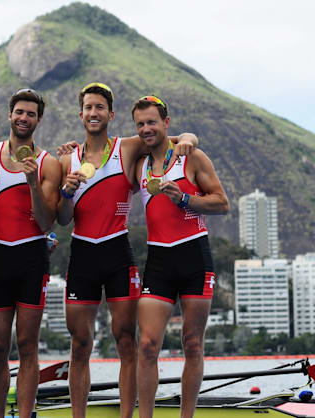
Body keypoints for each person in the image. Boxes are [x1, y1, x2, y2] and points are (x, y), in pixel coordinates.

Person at [56, 82, 199, 418]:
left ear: (110, 114)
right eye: (88, 108)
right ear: (81, 114)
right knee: (80, 345)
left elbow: (172, 138)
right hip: (82, 255)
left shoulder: (129, 147)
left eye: (100, 108)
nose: (94, 113)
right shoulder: (67, 159)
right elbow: (62, 220)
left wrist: (190, 139)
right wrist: (66, 191)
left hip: (118, 253)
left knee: (126, 342)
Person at [131, 95, 229, 418]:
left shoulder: (192, 157)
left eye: (152, 122)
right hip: (159, 260)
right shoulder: (139, 165)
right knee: (146, 345)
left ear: (166, 124)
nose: (146, 129)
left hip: (193, 256)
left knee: (192, 343)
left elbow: (221, 203)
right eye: (140, 124)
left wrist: (185, 199)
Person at [0, 88, 62, 418]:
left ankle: (25, 414)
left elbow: (46, 220)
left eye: (31, 114)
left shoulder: (48, 163)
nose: (24, 118)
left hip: (31, 259)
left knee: (27, 346)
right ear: (10, 115)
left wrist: (32, 181)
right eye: (19, 112)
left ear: (38, 120)